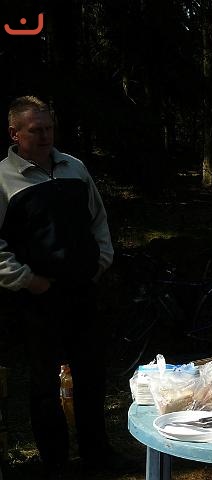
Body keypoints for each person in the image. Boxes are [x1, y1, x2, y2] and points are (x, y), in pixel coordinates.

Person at [0, 96, 122, 478]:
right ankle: (55, 463)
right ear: (14, 133)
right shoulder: (3, 179)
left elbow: (98, 218)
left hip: (83, 290)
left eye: (49, 128)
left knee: (91, 375)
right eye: (35, 130)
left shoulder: (74, 167)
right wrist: (26, 280)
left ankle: (97, 455)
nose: (45, 136)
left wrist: (101, 261)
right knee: (43, 383)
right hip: (38, 297)